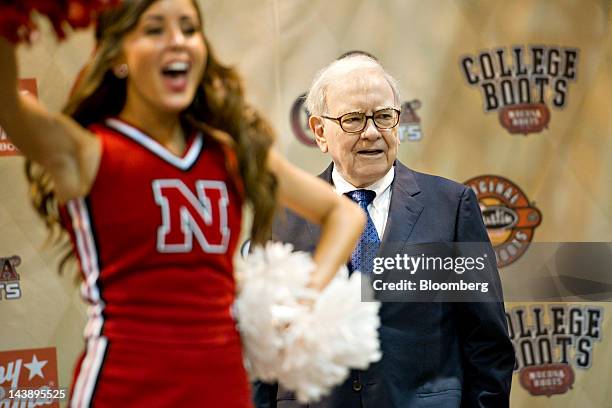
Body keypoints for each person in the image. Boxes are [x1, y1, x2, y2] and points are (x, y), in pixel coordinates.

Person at [0, 1, 366, 407]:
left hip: (222, 386)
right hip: (126, 388)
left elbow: (344, 214)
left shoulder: (228, 152)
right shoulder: (88, 153)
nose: (177, 41)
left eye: (189, 29)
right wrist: (8, 21)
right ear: (118, 53)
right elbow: (10, 108)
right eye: (155, 30)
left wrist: (305, 298)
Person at [253, 54, 515, 408]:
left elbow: (488, 345)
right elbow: (262, 350)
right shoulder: (281, 217)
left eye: (384, 117)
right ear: (318, 131)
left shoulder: (452, 207)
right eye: (354, 120)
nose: (372, 132)